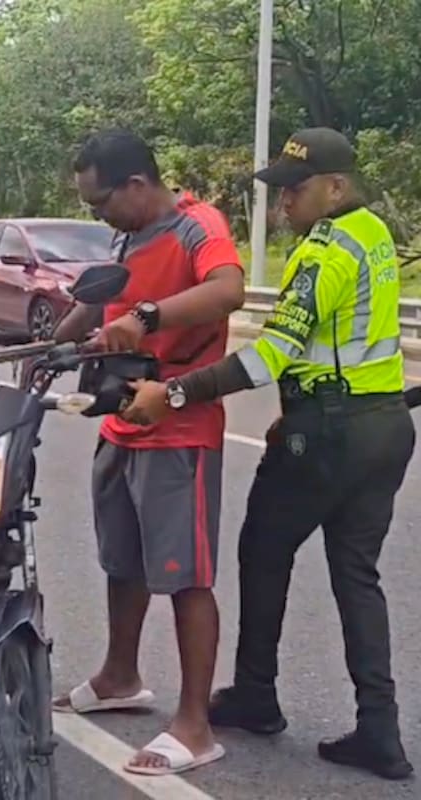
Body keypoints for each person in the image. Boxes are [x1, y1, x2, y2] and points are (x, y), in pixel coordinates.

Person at [123, 127, 415, 781]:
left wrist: (174, 393)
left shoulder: (323, 255)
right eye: (280, 190)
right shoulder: (373, 234)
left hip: (330, 437)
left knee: (263, 548)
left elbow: (268, 355)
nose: (284, 202)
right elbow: (342, 345)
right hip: (382, 424)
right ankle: (380, 730)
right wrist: (305, 399)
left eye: (296, 189)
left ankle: (256, 691)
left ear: (335, 187)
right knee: (356, 575)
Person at [51, 129, 246, 777]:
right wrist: (56, 344)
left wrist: (149, 317)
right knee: (123, 561)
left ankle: (194, 726)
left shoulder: (198, 226)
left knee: (185, 577)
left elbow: (227, 291)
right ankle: (119, 675)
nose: (96, 215)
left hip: (179, 428)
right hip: (121, 423)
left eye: (98, 202)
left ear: (136, 185)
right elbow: (102, 304)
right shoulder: (125, 236)